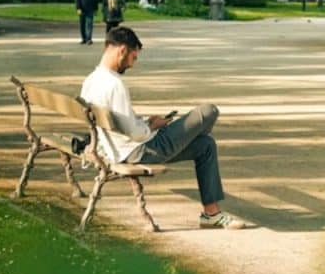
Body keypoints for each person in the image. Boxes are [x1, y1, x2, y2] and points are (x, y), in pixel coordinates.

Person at [79, 27, 248, 230]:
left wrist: (145, 122)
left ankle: (211, 214)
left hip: (115, 148)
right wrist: (152, 126)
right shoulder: (115, 84)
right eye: (134, 57)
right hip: (140, 151)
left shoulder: (91, 80)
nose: (133, 64)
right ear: (122, 51)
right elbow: (135, 134)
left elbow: (121, 123)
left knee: (205, 144)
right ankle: (190, 140)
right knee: (208, 111)